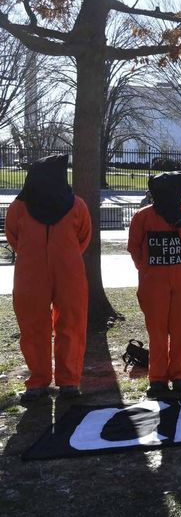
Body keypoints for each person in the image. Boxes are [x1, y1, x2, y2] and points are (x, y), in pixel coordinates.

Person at [6, 154, 91, 401]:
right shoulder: (20, 206)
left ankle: (69, 381)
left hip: (67, 273)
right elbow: (14, 236)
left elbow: (83, 237)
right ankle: (38, 380)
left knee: (72, 323)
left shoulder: (76, 205)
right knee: (32, 325)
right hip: (31, 273)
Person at [128, 172, 181, 398]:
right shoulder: (143, 217)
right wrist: (147, 272)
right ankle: (157, 378)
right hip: (154, 283)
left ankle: (179, 376)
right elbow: (134, 248)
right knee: (157, 332)